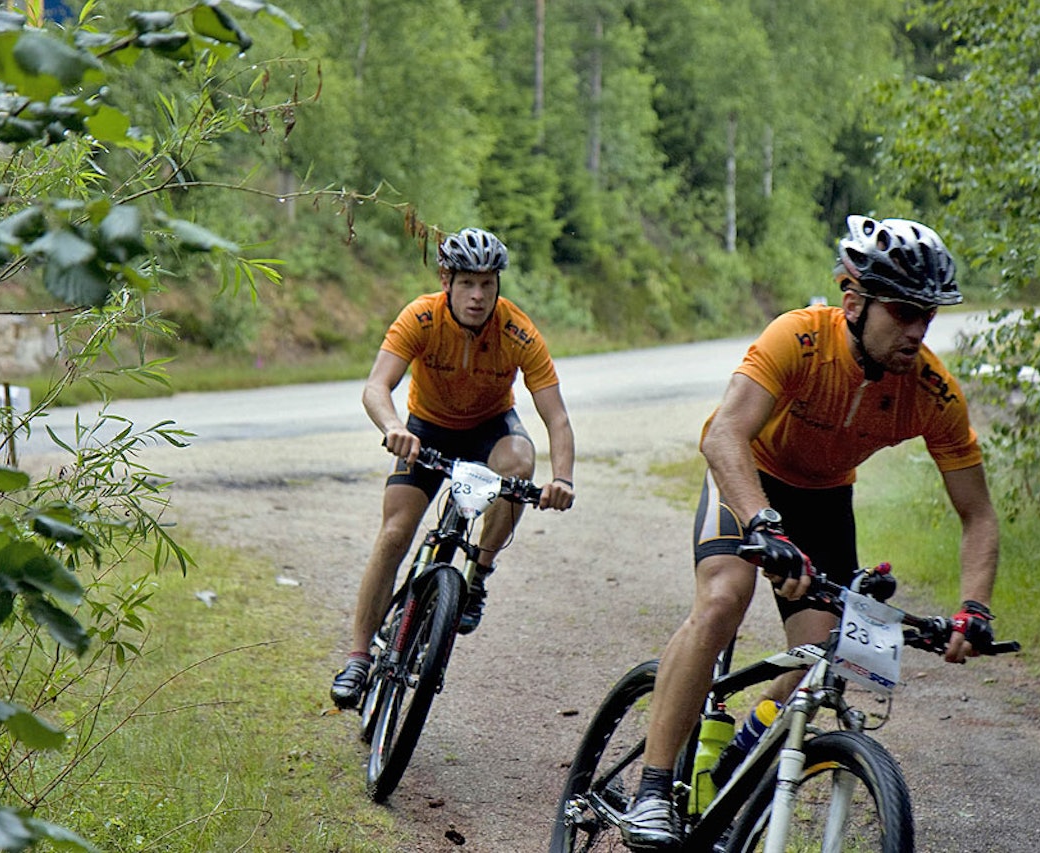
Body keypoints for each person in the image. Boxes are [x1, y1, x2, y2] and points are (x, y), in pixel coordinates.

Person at [619, 215, 1001, 850]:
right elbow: (723, 435)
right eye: (902, 311)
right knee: (721, 600)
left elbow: (978, 514)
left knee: (827, 652)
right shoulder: (797, 338)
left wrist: (973, 608)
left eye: (926, 315)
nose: (916, 330)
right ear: (854, 300)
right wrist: (764, 524)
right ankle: (653, 791)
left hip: (825, 498)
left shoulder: (932, 392)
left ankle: (735, 762)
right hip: (749, 475)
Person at [330, 227, 576, 709]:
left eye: (487, 283)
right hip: (425, 430)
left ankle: (478, 574)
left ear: (498, 285)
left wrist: (563, 478)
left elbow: (557, 417)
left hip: (489, 429)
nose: (478, 295)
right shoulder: (421, 316)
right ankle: (358, 657)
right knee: (396, 531)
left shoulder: (517, 330)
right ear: (447, 279)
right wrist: (393, 426)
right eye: (467, 283)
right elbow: (376, 387)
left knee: (519, 464)